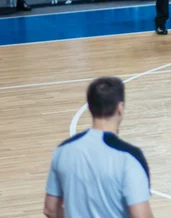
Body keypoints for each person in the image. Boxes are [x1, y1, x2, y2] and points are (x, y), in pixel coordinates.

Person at [43, 77, 153, 218]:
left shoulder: (62, 150)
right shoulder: (130, 157)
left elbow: (50, 210)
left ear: (90, 108)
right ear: (120, 108)